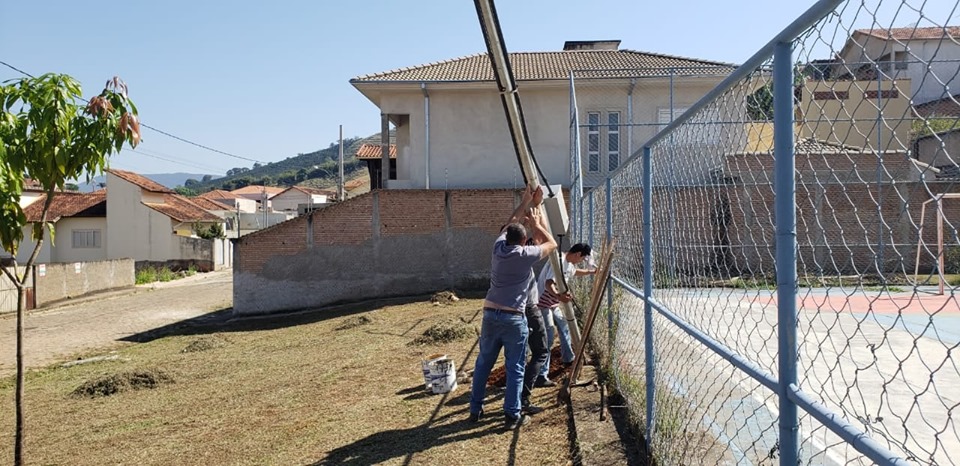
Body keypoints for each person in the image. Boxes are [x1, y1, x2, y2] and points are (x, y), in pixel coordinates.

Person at [469, 184, 557, 430]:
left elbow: (510, 223)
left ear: (506, 236)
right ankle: (511, 415)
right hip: (513, 318)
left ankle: (475, 410)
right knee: (515, 366)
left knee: (483, 364)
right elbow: (551, 244)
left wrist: (524, 202)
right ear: (524, 241)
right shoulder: (524, 255)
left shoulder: (498, 248)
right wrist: (537, 222)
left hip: (490, 314)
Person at [535, 243, 595, 385]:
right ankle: (541, 375)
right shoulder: (559, 262)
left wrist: (591, 272)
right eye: (582, 259)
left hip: (553, 303)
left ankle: (568, 358)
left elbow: (575, 272)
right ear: (578, 254)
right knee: (549, 336)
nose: (581, 261)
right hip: (542, 303)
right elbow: (548, 284)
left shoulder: (569, 263)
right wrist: (559, 296)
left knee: (564, 326)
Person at [518, 208, 550, 414]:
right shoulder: (525, 256)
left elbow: (538, 239)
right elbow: (547, 241)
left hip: (512, 310)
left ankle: (516, 397)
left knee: (519, 355)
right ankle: (524, 398)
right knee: (541, 351)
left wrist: (530, 222)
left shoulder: (502, 251)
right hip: (529, 308)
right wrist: (537, 223)